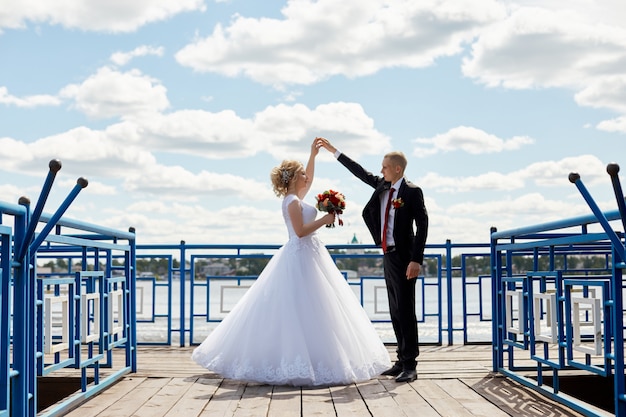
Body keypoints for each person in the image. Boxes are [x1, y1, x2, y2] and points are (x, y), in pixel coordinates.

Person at [192, 138, 391, 386]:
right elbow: (299, 231)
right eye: (302, 175)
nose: (306, 177)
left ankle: (317, 357)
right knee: (300, 308)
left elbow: (310, 177)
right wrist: (326, 219)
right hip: (300, 255)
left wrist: (313, 155)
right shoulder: (292, 201)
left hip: (310, 255)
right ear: (294, 178)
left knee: (318, 308)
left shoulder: (295, 196)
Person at [317, 137, 428, 383]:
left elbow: (422, 225)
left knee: (406, 309)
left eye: (385, 167)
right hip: (388, 255)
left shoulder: (412, 192)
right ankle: (400, 359)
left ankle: (410, 364)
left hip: (405, 256)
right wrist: (335, 152)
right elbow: (360, 172)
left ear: (397, 169)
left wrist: (416, 260)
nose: (381, 170)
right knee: (395, 309)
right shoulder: (382, 186)